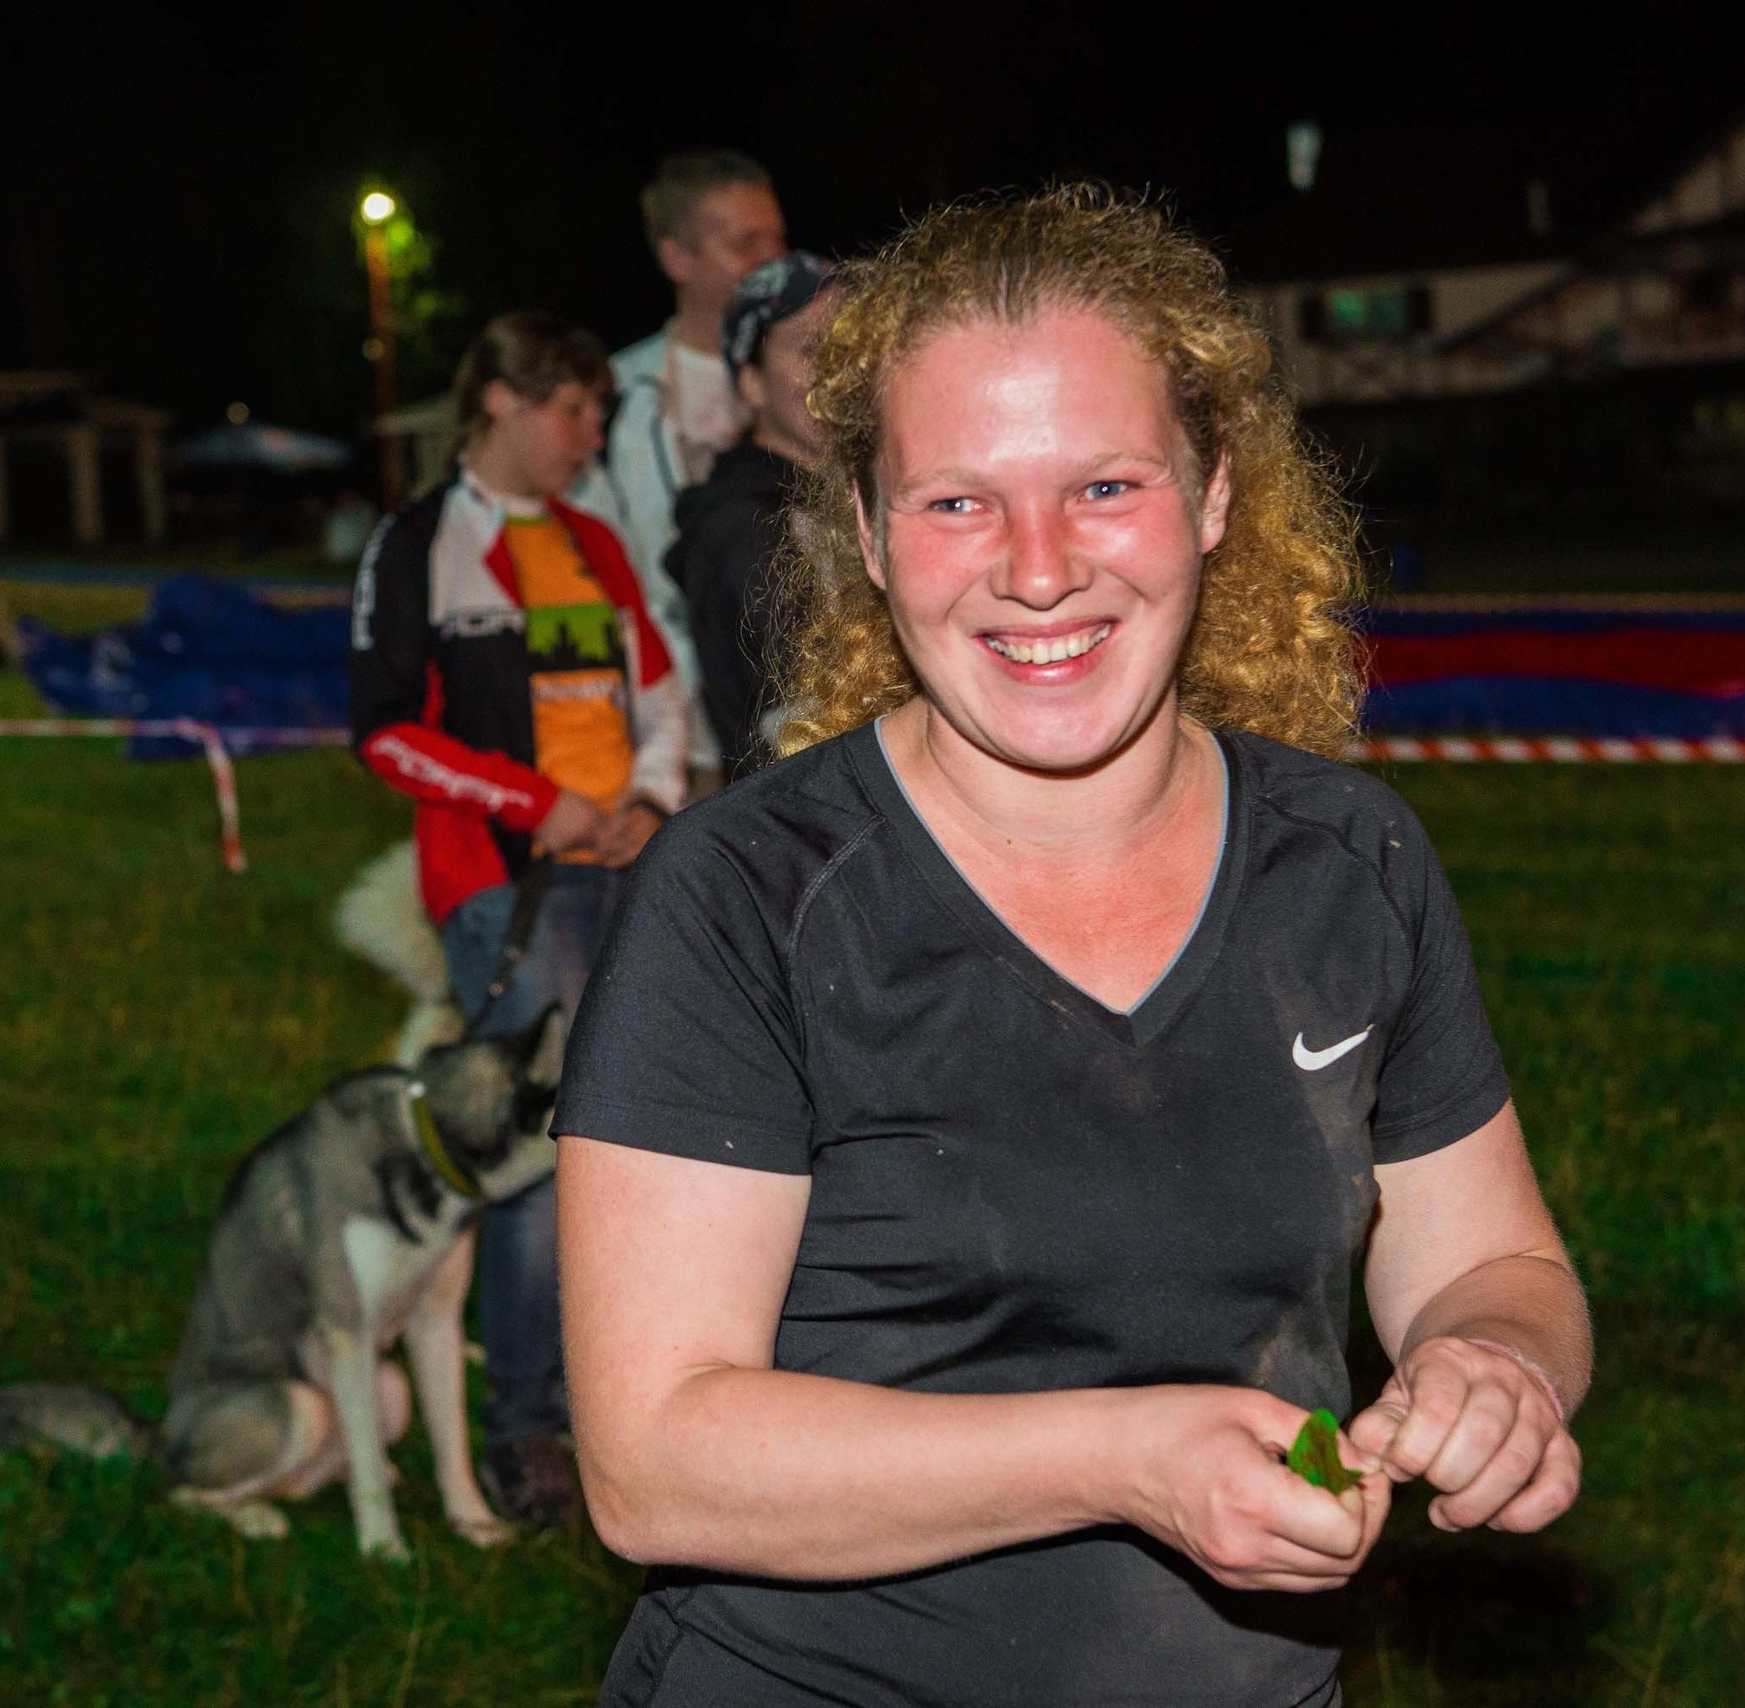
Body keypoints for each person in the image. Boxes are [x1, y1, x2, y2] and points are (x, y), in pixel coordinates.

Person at [557, 188, 1590, 1706]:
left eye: (1106, 486)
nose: (1038, 569)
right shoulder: (743, 897)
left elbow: (1495, 1262)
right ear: (866, 528)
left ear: (1214, 492)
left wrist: (1499, 1365)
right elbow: (655, 1465)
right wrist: (1130, 1461)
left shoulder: (1350, 865)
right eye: (957, 500)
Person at [349, 309, 690, 1526]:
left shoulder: (594, 542)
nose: (589, 434)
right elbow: (384, 729)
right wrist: (532, 803)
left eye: (599, 412)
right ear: (497, 399)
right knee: (543, 1154)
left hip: (625, 866)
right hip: (507, 881)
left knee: (633, 1138)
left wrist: (651, 798)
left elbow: (656, 694)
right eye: (571, 409)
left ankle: (631, 1400)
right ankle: (529, 1431)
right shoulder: (420, 541)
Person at [581, 150, 788, 782]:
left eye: (777, 239)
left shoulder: (805, 387)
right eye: (744, 245)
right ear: (677, 258)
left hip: (789, 721)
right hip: (665, 742)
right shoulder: (614, 398)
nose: (773, 263)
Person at [663, 251, 837, 779]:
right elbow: (807, 711)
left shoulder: (858, 496)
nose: (841, 369)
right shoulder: (748, 527)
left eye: (855, 344)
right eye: (813, 349)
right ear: (751, 384)